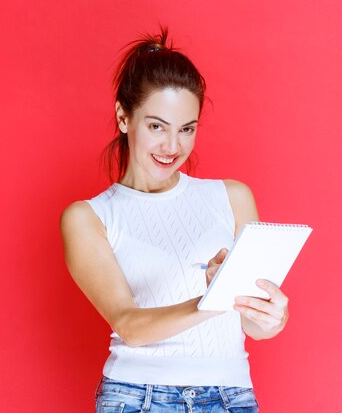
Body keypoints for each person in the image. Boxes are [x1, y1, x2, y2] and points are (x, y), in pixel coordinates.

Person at [60, 26, 290, 413]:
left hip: (230, 396)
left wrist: (273, 316)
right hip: (137, 398)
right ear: (123, 117)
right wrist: (215, 299)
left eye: (187, 129)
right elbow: (129, 325)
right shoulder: (90, 217)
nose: (173, 147)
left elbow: (254, 325)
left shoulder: (232, 197)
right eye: (156, 127)